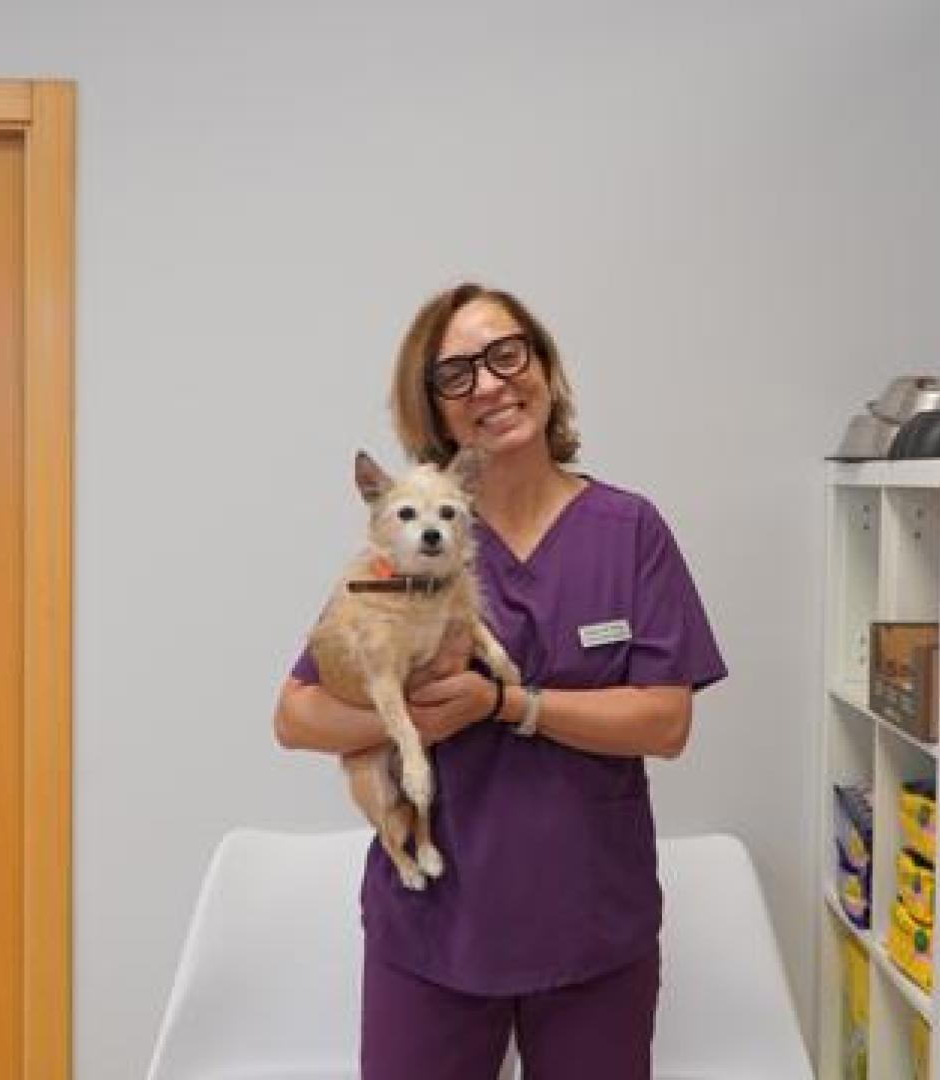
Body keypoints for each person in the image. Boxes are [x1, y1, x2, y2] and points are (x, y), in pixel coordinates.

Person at [273, 283, 726, 1079]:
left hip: (592, 931)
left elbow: (665, 722)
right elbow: (297, 715)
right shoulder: (415, 534)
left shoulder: (629, 531)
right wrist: (408, 718)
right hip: (433, 931)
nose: (489, 384)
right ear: (436, 411)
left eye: (507, 354)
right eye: (456, 375)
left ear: (545, 368)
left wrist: (507, 704)